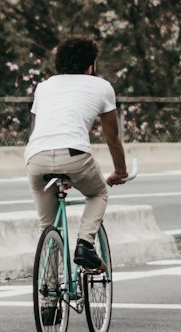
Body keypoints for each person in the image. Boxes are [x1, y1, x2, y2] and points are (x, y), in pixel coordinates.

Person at [25, 37, 130, 271]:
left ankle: (48, 301)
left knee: (47, 226)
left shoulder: (44, 86)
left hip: (36, 157)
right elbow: (112, 137)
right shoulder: (101, 86)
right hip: (74, 155)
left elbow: (36, 130)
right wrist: (120, 171)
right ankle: (85, 244)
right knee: (98, 193)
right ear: (90, 65)